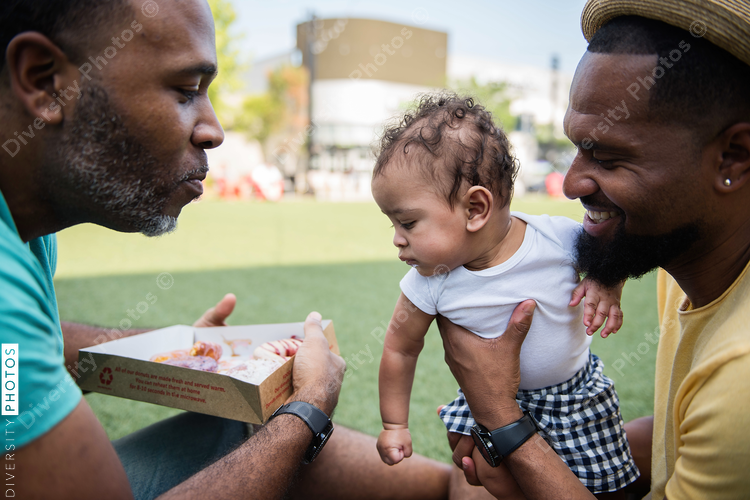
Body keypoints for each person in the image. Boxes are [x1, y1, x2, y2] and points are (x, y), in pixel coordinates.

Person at [0, 1, 451, 498]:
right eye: (186, 91)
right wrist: (307, 411)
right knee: (267, 440)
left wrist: (173, 348)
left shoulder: (26, 230)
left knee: (233, 430)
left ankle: (448, 488)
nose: (213, 130)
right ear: (44, 81)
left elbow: (16, 363)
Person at [439, 1, 750, 499]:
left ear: (733, 157)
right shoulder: (684, 264)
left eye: (607, 156)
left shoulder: (742, 381)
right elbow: (680, 439)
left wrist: (506, 422)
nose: (571, 183)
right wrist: (568, 455)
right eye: (578, 148)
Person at [371, 93, 638, 498]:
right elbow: (400, 349)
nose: (396, 239)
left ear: (475, 208)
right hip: (485, 401)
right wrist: (394, 424)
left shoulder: (557, 239)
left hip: (573, 396)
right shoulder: (430, 280)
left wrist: (606, 283)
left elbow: (611, 250)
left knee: (610, 481)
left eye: (407, 222)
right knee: (481, 466)